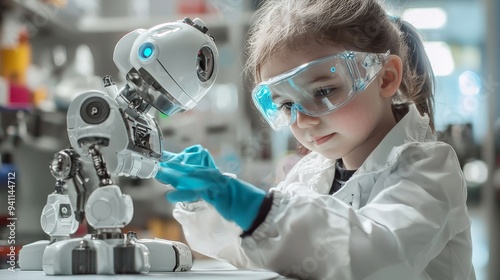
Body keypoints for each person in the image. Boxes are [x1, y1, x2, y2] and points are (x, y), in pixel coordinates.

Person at [154, 0, 476, 279]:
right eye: (286, 105)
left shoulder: (431, 169)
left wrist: (254, 206)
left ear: (386, 77)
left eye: (323, 91)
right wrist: (211, 202)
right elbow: (261, 248)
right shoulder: (312, 173)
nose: (303, 119)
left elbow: (377, 259)